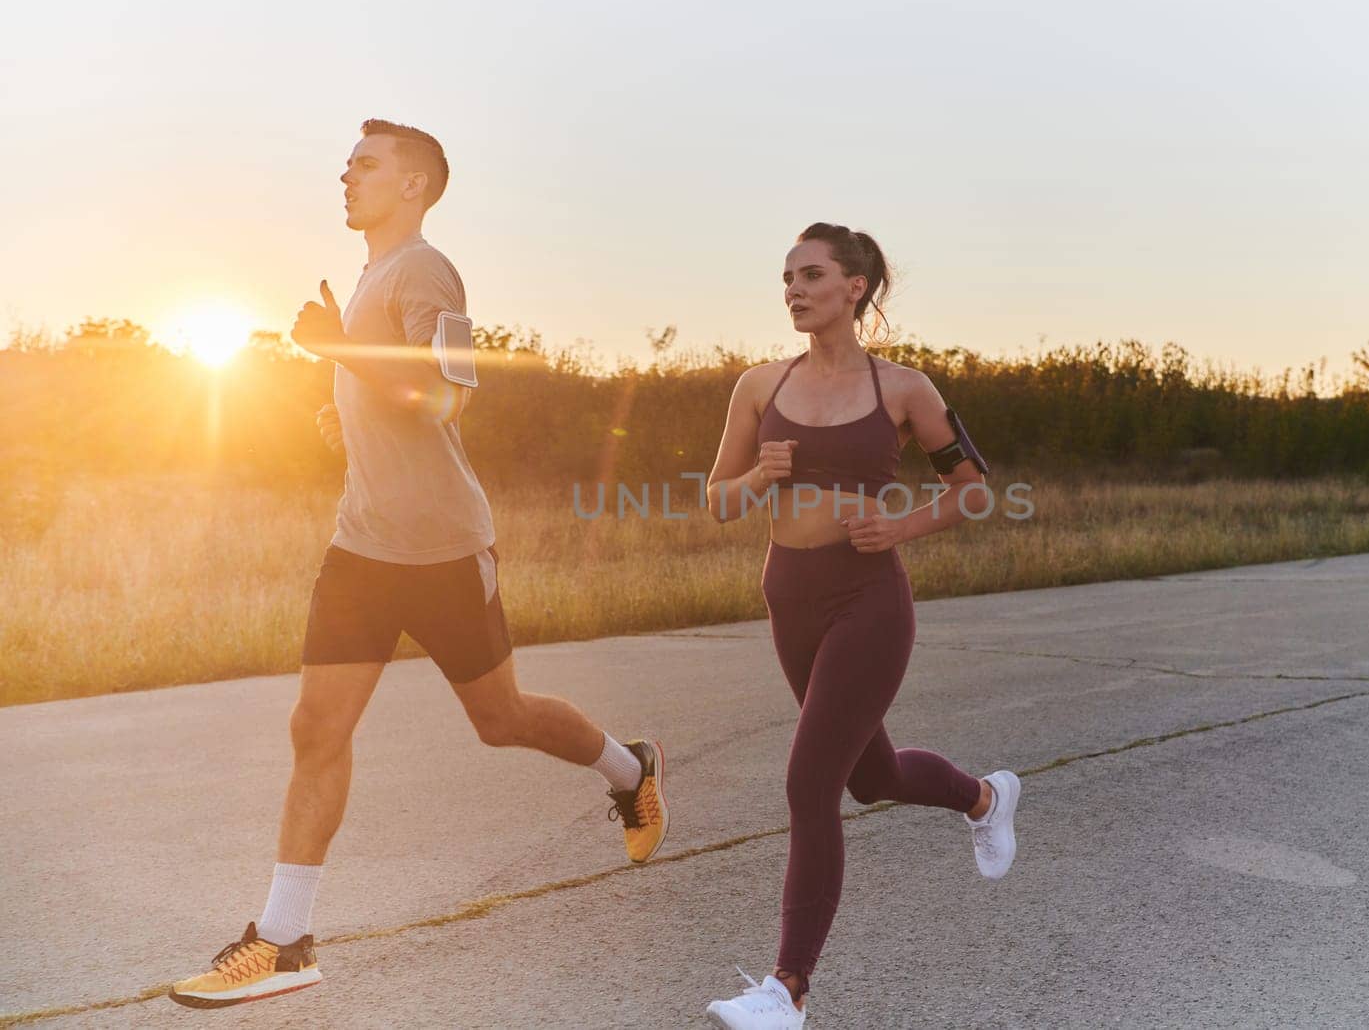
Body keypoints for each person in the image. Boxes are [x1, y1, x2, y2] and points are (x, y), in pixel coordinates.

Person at [168, 119, 668, 1009]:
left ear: (415, 186)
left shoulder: (426, 270)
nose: (346, 173)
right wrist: (347, 418)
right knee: (315, 731)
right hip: (360, 545)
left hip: (441, 550)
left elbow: (448, 393)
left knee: (502, 717)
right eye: (348, 161)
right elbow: (395, 407)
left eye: (365, 163)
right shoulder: (368, 276)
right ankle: (284, 939)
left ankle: (631, 769)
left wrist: (337, 349)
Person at [701, 223, 1021, 1028]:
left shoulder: (904, 388)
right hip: (790, 596)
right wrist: (757, 474)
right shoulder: (756, 386)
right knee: (867, 777)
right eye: (785, 278)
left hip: (868, 600)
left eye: (810, 275)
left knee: (809, 781)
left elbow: (973, 487)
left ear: (855, 286)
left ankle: (788, 990)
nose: (793, 291)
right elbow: (716, 501)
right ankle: (984, 797)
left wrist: (902, 527)